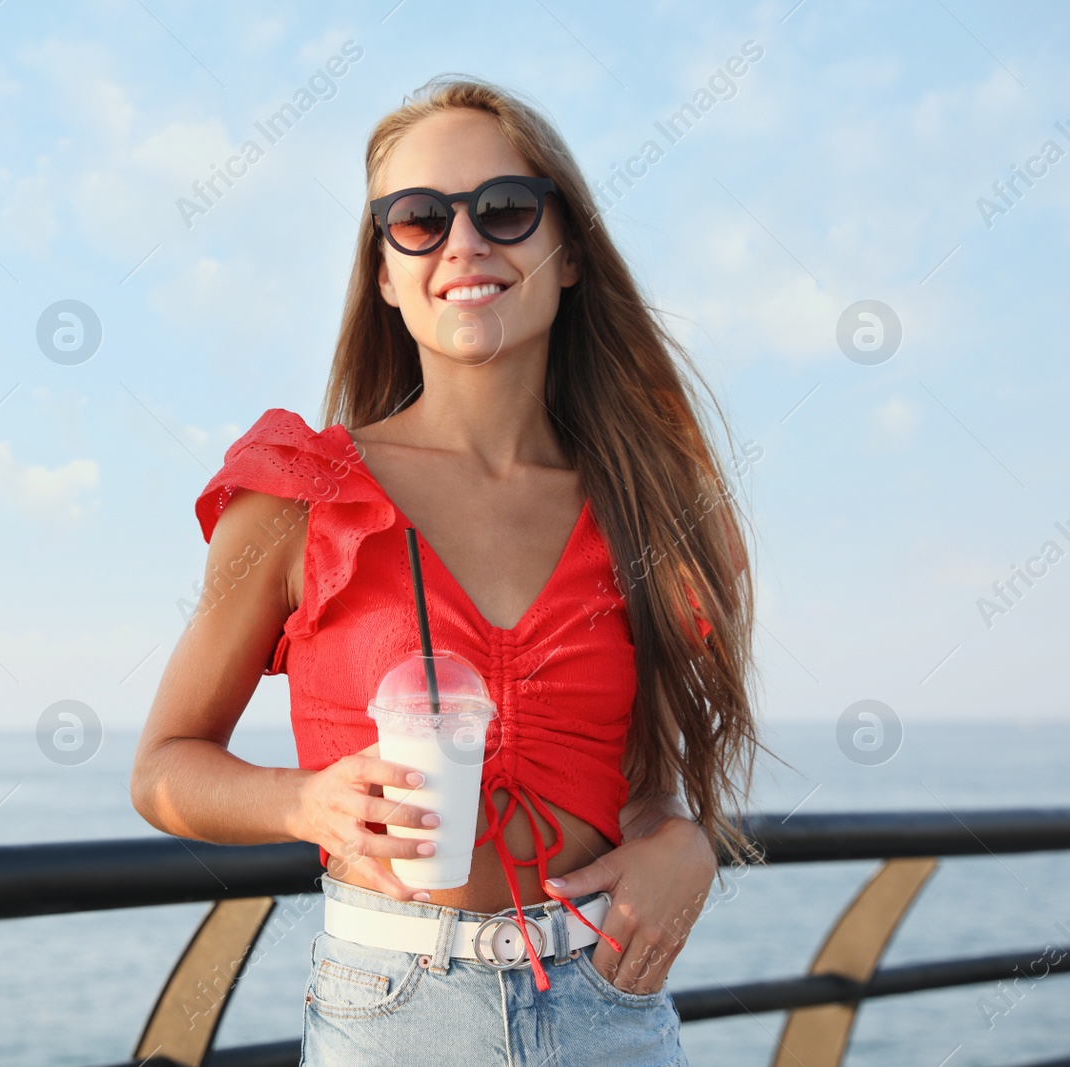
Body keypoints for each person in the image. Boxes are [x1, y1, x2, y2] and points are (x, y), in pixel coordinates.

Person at [131, 74, 762, 1066]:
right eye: (418, 219)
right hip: (392, 1013)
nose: (464, 243)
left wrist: (685, 840)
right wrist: (301, 802)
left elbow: (638, 775)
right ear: (384, 271)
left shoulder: (649, 503)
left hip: (609, 1006)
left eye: (505, 209)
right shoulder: (298, 497)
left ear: (567, 254)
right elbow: (164, 767)